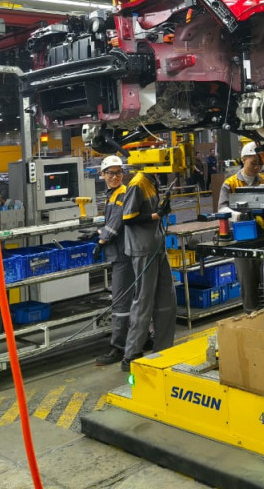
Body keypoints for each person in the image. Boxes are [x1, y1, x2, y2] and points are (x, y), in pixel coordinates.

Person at [120, 170, 177, 372]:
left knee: (167, 299)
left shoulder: (152, 180)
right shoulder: (138, 183)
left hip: (157, 246)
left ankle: (164, 348)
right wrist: (156, 214)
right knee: (144, 301)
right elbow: (128, 217)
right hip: (143, 249)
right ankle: (132, 353)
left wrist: (162, 209)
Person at [218, 142, 264, 310]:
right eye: (253, 163)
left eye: (259, 164)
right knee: (248, 284)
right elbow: (222, 208)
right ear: (243, 159)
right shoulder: (231, 183)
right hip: (242, 240)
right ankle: (250, 316)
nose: (257, 168)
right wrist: (239, 215)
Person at [95, 156, 133, 367]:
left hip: (122, 255)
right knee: (133, 299)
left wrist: (101, 240)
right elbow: (110, 222)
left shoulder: (121, 193)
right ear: (102, 175)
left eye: (118, 172)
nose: (115, 176)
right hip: (121, 252)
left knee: (120, 303)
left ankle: (119, 347)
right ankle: (142, 336)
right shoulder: (112, 194)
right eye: (110, 173)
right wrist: (98, 232)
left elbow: (116, 222)